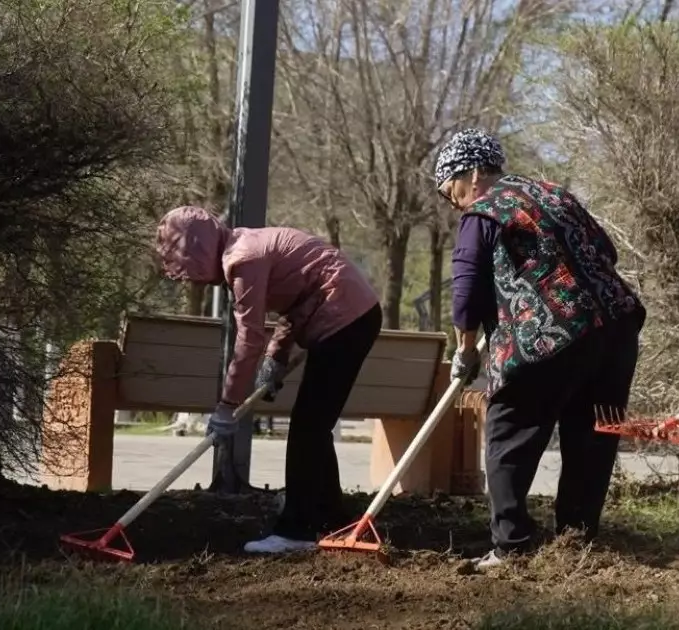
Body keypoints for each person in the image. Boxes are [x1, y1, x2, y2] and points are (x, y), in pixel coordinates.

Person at [435, 128, 647, 570]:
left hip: (550, 335)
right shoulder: (556, 194)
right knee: (592, 437)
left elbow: (466, 292)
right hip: (616, 327)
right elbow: (606, 251)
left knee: (508, 429)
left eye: (451, 191)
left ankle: (511, 546)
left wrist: (465, 350)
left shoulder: (483, 211)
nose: (454, 203)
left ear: (472, 175)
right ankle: (576, 542)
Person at [155, 206, 382, 554]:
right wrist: (276, 358)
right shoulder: (247, 247)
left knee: (308, 429)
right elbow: (298, 302)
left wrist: (227, 406)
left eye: (186, 266)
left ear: (198, 250)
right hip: (352, 315)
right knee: (313, 428)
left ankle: (296, 530)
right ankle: (331, 520)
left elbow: (249, 340)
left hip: (344, 318)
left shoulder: (242, 260)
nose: (191, 280)